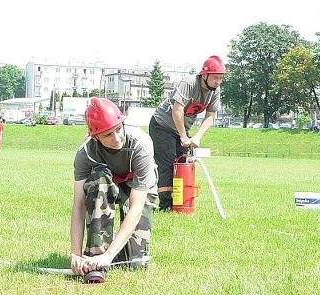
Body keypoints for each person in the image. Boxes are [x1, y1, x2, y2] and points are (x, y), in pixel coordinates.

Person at [71, 97, 157, 283]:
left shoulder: (141, 144)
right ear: (95, 136)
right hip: (106, 183)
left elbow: (137, 205)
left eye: (118, 130)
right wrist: (75, 254)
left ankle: (111, 254)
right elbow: (78, 205)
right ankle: (95, 254)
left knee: (134, 264)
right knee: (99, 179)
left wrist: (111, 255)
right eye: (107, 135)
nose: (116, 138)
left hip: (137, 188)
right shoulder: (85, 153)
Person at [148, 55, 225, 211]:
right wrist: (183, 136)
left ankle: (181, 202)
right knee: (168, 165)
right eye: (215, 77)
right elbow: (177, 110)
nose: (218, 81)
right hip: (162, 125)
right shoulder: (189, 83)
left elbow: (210, 117)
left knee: (183, 163)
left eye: (221, 78)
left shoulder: (215, 91)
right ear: (204, 75)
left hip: (182, 128)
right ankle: (166, 206)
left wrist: (196, 137)